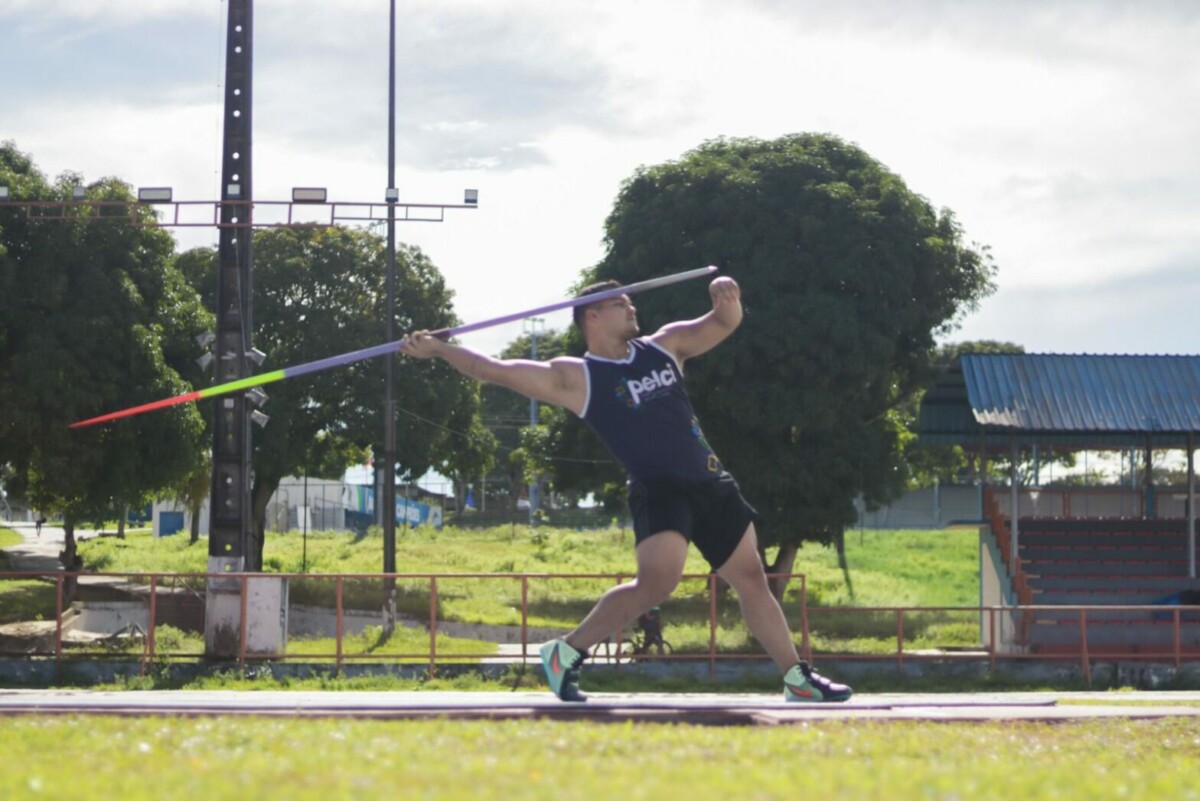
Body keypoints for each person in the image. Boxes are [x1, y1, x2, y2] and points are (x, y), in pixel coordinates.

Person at [400, 274, 851, 703]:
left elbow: (723, 323)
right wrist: (439, 349)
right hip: (660, 489)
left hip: (712, 482)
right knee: (657, 582)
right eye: (619, 304)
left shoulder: (665, 346)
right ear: (592, 317)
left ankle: (797, 677)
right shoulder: (576, 377)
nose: (631, 308)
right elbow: (491, 369)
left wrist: (726, 296)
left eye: (630, 301)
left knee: (752, 579)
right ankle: (566, 651)